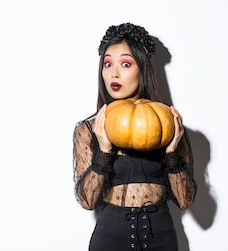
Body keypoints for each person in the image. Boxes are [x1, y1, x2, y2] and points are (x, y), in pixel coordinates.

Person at [72, 22, 197, 251]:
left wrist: (171, 152)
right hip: (110, 239)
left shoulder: (168, 125)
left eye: (126, 64)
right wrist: (104, 150)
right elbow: (87, 201)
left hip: (161, 239)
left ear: (143, 69)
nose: (114, 73)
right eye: (107, 63)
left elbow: (185, 200)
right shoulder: (89, 129)